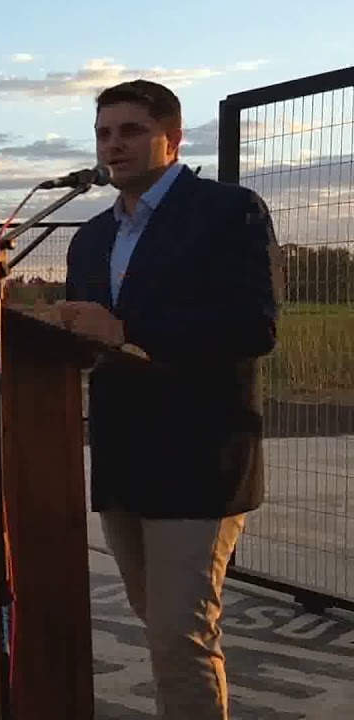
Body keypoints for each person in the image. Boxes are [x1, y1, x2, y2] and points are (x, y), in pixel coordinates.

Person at [59, 79, 281, 719]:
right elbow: (92, 341)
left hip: (200, 458)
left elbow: (254, 327)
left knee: (179, 634)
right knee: (155, 618)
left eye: (130, 130)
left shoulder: (228, 212)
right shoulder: (90, 237)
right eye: (103, 133)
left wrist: (127, 330)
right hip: (123, 460)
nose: (113, 145)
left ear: (173, 138)